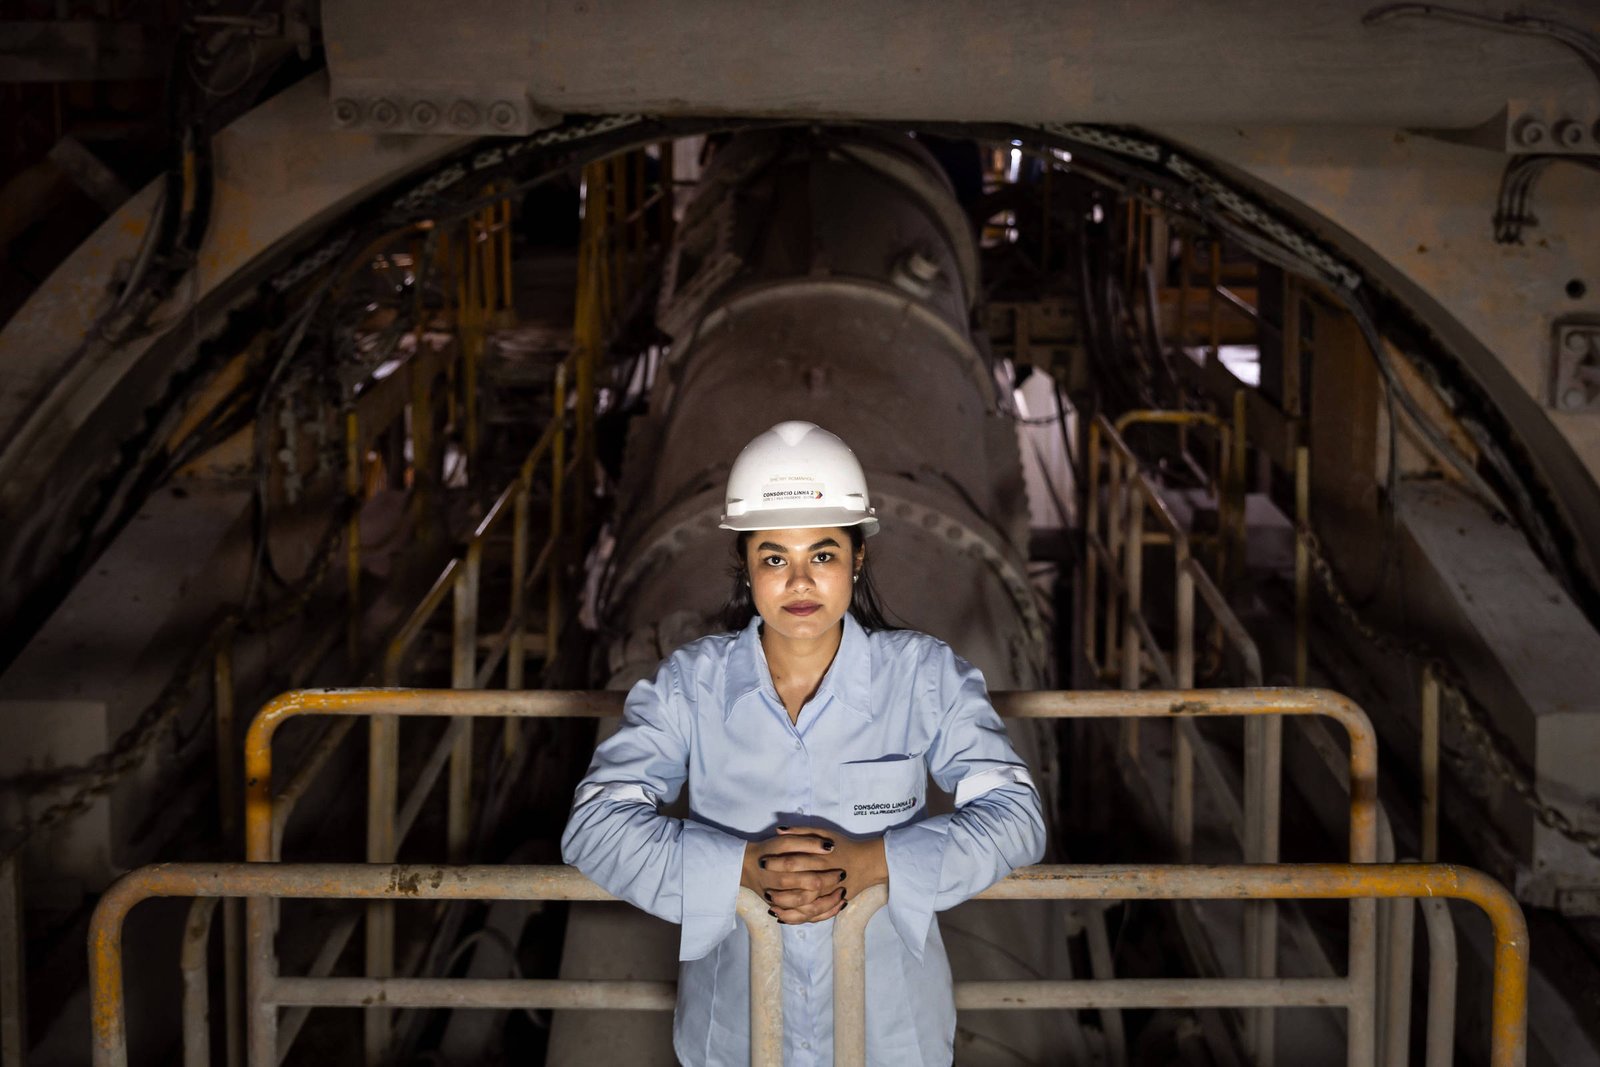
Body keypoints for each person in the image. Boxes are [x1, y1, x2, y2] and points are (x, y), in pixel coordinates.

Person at [562, 420, 1045, 1066]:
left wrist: (875, 864)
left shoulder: (922, 677)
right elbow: (593, 826)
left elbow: (1018, 818)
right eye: (773, 558)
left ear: (857, 557)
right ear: (743, 562)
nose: (799, 583)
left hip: (891, 1038)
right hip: (735, 1037)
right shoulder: (691, 686)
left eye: (822, 554)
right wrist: (738, 870)